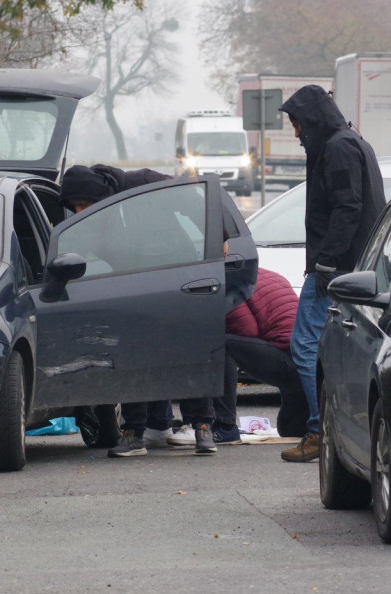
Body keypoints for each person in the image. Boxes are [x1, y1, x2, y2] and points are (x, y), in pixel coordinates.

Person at [58, 164, 220, 457]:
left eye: (83, 204)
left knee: (189, 351)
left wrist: (220, 243)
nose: (79, 211)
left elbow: (196, 204)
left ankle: (202, 427)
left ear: (98, 194)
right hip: (132, 286)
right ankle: (134, 432)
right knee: (132, 355)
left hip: (178, 278)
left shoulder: (145, 183)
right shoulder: (95, 217)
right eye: (74, 207)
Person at [277, 84, 384, 462]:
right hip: (353, 266)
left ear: (313, 120)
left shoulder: (337, 148)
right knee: (341, 349)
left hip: (336, 268)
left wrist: (326, 263)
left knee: (305, 345)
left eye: (297, 124)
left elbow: (347, 208)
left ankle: (317, 429)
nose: (296, 133)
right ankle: (334, 429)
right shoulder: (350, 142)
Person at [212, 267, 307, 442]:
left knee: (220, 343)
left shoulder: (229, 282)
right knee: (290, 430)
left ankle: (226, 426)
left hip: (286, 360)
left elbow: (246, 330)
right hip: (303, 363)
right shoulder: (271, 275)